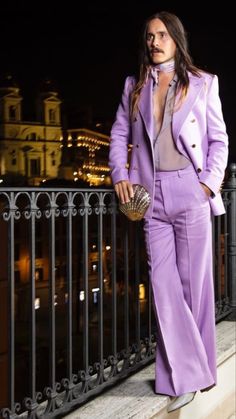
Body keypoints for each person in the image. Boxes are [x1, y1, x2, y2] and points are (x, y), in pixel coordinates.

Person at [108, 11, 228, 413]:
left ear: (176, 39)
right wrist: (119, 174)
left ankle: (184, 375)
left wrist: (207, 185)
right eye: (148, 35)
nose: (153, 41)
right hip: (149, 197)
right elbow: (120, 133)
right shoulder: (134, 85)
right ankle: (193, 372)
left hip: (189, 191)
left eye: (161, 34)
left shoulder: (203, 83)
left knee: (195, 286)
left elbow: (218, 140)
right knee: (162, 285)